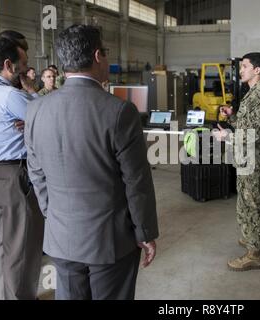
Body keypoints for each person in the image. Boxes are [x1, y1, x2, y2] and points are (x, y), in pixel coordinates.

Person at [24, 24, 159, 300]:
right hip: (109, 242)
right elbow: (136, 181)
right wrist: (145, 232)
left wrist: (54, 213)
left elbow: (36, 172)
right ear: (98, 56)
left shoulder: (36, 109)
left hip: (61, 237)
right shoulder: (119, 111)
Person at [0, 37, 44, 300]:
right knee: (23, 249)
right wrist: (31, 92)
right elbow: (48, 119)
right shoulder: (11, 95)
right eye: (24, 65)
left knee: (5, 245)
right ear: (8, 64)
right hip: (16, 175)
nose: (27, 71)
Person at [214, 52, 260, 271]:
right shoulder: (252, 94)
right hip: (247, 158)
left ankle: (254, 253)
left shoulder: (259, 94)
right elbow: (246, 125)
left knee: (252, 204)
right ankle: (254, 237)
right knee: (249, 202)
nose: (241, 70)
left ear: (257, 70)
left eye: (245, 66)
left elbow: (255, 134)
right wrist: (232, 116)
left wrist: (227, 136)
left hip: (254, 159)